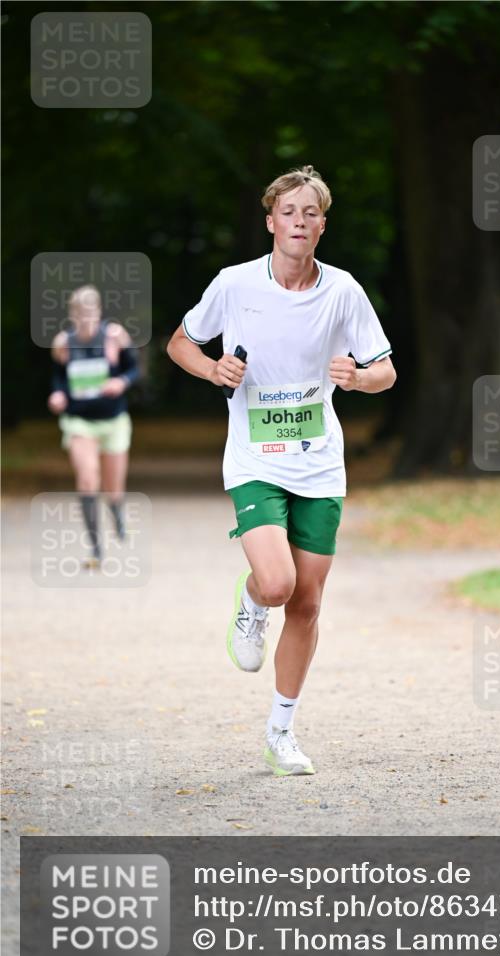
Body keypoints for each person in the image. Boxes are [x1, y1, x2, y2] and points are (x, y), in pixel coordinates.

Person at [167, 165, 396, 776]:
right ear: (271, 222)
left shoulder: (343, 291)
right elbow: (180, 344)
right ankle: (249, 602)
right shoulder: (235, 285)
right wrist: (212, 368)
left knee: (308, 604)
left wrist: (358, 377)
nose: (299, 221)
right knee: (277, 586)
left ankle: (281, 731)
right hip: (254, 459)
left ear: (323, 226)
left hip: (319, 465)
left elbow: (385, 371)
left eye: (311, 212)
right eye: (289, 211)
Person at [47, 285, 140, 567]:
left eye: (91, 312)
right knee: (88, 480)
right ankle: (96, 547)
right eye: (80, 313)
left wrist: (121, 382)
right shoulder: (64, 343)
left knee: (113, 488)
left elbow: (134, 370)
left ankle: (117, 510)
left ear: (99, 312)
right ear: (72, 315)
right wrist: (58, 394)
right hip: (79, 421)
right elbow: (59, 378)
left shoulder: (114, 337)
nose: (86, 318)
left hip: (113, 420)